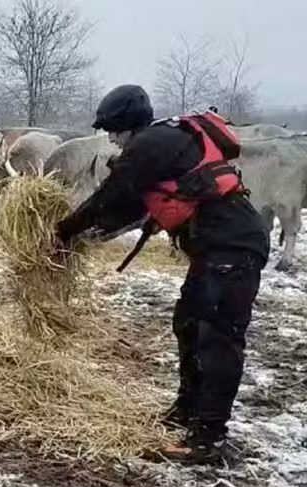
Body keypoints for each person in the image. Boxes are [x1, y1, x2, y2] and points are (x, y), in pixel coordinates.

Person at [56, 84, 269, 465]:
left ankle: (209, 438)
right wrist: (81, 237)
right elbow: (126, 212)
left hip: (232, 246)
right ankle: (187, 409)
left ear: (126, 125)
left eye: (112, 131)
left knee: (217, 337)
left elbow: (110, 199)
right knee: (187, 322)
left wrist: (63, 233)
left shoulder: (149, 146)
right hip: (216, 247)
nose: (112, 141)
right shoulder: (164, 143)